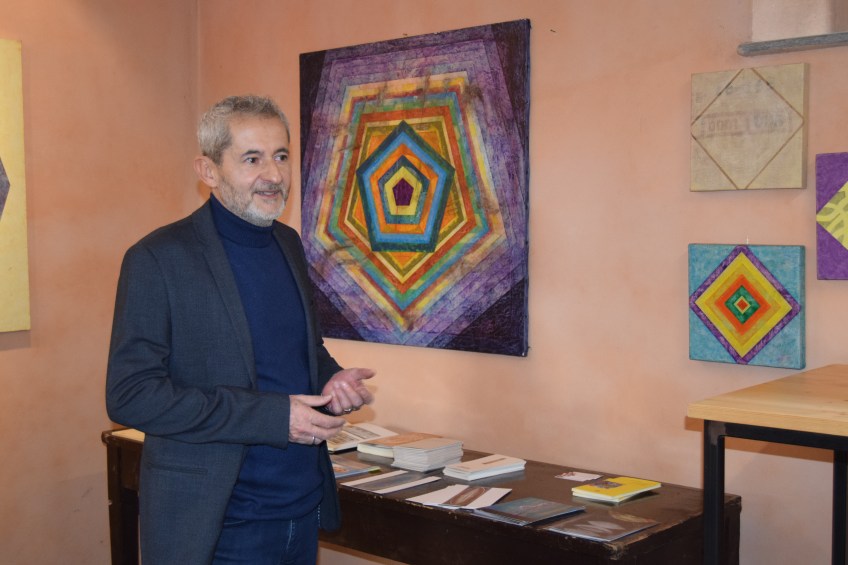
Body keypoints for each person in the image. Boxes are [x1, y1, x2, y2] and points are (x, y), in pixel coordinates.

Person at [106, 95, 375, 565]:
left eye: (281, 156)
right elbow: (130, 396)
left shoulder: (288, 243)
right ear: (208, 170)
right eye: (252, 159)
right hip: (216, 525)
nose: (273, 174)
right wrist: (272, 417)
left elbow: (301, 350)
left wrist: (331, 379)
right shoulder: (157, 259)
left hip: (299, 510)